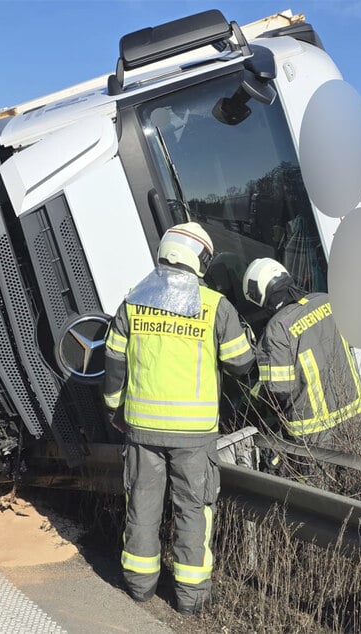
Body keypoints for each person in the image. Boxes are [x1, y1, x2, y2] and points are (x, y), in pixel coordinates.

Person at [102, 222, 254, 616]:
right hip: (194, 434)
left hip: (141, 430)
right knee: (193, 510)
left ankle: (139, 587)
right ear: (199, 259)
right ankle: (189, 599)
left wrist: (114, 409)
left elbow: (114, 363)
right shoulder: (215, 306)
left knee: (142, 504)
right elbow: (241, 363)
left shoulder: (132, 303)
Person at [241, 257, 361, 480]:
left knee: (322, 499)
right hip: (357, 415)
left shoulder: (278, 328)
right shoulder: (328, 301)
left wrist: (254, 392)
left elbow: (279, 388)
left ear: (261, 293)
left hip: (315, 431)